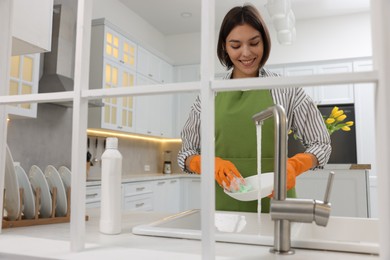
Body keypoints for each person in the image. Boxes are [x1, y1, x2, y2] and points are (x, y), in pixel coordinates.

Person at [177, 4, 331, 213]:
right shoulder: (209, 93)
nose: (246, 53)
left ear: (264, 42)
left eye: (254, 43)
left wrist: (295, 165)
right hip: (223, 205)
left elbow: (321, 143)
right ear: (224, 47)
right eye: (235, 45)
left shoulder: (286, 89)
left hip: (277, 204)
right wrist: (209, 164)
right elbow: (186, 152)